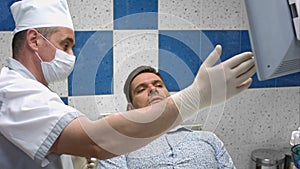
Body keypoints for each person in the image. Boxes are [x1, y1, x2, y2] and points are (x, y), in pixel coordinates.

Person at [0, 0, 256, 168]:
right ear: (34, 41)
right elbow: (96, 142)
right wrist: (195, 97)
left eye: (158, 83)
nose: (71, 55)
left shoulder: (207, 139)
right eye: (65, 44)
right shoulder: (12, 91)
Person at [98, 66, 236, 168]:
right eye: (141, 89)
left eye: (158, 85)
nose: (153, 89)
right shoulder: (117, 148)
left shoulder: (209, 139)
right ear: (131, 109)